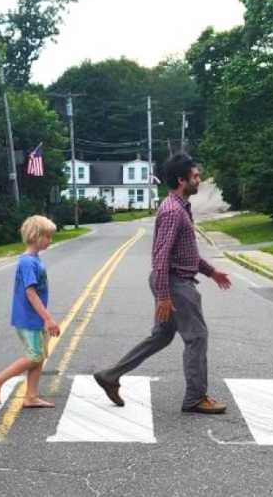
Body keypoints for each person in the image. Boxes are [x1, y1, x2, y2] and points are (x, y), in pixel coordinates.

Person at [93, 154, 232, 414]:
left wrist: (212, 273)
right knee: (197, 337)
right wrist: (165, 295)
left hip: (173, 281)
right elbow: (161, 256)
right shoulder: (171, 211)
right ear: (181, 180)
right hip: (174, 284)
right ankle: (195, 398)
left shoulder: (180, 208)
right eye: (195, 176)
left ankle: (110, 375)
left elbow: (186, 254)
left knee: (162, 336)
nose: (199, 179)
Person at [0, 215, 61, 409]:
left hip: (34, 318)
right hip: (29, 318)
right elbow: (30, 293)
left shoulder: (34, 260)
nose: (50, 240)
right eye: (47, 236)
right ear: (36, 236)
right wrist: (48, 318)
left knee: (38, 358)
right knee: (34, 356)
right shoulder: (28, 262)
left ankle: (31, 396)